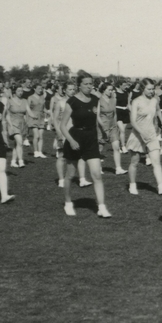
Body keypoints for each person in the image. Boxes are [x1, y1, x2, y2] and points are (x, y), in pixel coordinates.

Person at [58, 75, 111, 217]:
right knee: (70, 175)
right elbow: (62, 125)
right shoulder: (72, 101)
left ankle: (101, 207)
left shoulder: (95, 99)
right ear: (79, 85)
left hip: (91, 139)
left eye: (91, 83)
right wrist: (71, 141)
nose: (89, 86)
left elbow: (96, 117)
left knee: (97, 175)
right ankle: (68, 203)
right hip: (75, 137)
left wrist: (103, 130)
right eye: (86, 84)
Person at [125, 78, 162, 195]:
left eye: (153, 89)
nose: (152, 91)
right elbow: (133, 121)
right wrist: (142, 133)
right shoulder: (136, 101)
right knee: (135, 161)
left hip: (151, 134)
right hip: (138, 135)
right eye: (149, 89)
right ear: (143, 89)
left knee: (156, 161)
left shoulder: (155, 100)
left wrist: (161, 122)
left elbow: (158, 110)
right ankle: (132, 185)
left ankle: (161, 186)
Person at [26, 83, 48, 158]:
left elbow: (44, 108)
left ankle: (40, 152)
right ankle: (35, 152)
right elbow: (27, 108)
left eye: (41, 89)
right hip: (33, 117)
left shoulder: (42, 97)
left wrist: (50, 112)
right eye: (38, 88)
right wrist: (29, 117)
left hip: (41, 118)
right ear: (34, 89)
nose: (40, 90)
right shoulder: (30, 97)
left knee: (41, 136)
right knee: (36, 135)